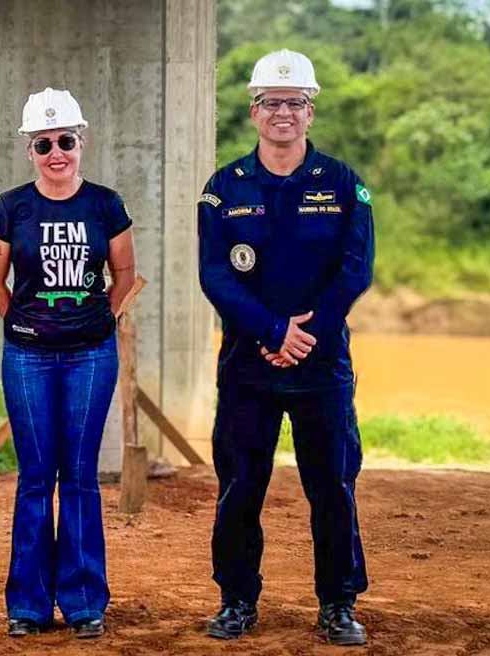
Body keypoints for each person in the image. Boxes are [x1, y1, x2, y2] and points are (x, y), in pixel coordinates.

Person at [196, 49, 374, 646]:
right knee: (241, 486)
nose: (283, 114)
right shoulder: (224, 188)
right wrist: (274, 332)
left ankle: (338, 604)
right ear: (253, 112)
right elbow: (215, 277)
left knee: (332, 485)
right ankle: (237, 600)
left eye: (294, 103)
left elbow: (355, 272)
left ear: (310, 111)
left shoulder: (344, 184)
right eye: (272, 103)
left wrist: (305, 334)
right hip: (249, 366)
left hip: (321, 366)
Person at [0, 87, 136, 640]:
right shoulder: (11, 207)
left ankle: (82, 601)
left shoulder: (106, 205)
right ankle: (26, 604)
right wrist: (21, 322)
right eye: (44, 143)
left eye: (65, 141)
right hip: (27, 357)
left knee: (78, 476)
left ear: (81, 142)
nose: (56, 152)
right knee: (34, 477)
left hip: (90, 356)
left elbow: (124, 274)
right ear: (29, 148)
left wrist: (102, 320)